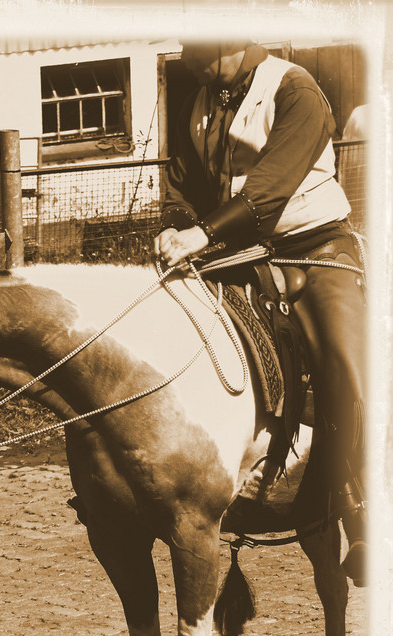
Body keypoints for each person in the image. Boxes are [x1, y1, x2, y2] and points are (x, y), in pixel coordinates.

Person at [155, 41, 367, 585]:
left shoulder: (295, 89)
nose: (189, 59)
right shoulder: (199, 99)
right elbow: (180, 179)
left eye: (197, 47)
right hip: (232, 252)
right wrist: (175, 222)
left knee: (346, 362)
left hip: (313, 249)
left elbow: (270, 188)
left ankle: (358, 501)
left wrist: (202, 233)